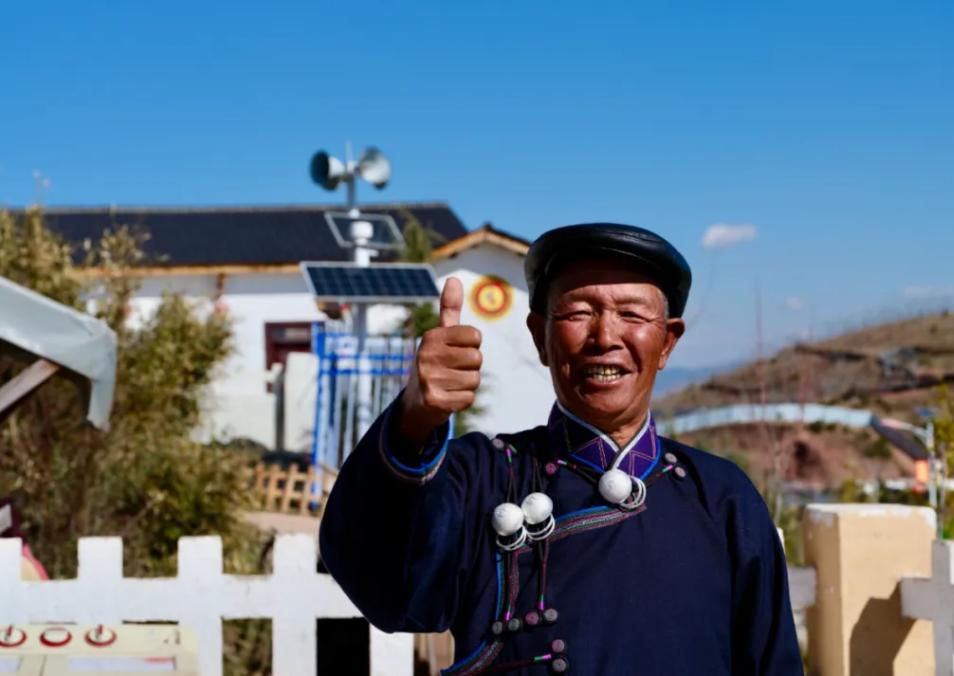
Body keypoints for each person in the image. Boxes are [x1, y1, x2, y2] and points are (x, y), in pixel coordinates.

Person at [320, 223, 802, 675]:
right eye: (578, 312)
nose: (605, 337)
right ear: (540, 337)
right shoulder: (483, 476)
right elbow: (389, 588)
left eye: (631, 314)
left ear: (667, 343)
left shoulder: (721, 497)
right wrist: (413, 418)